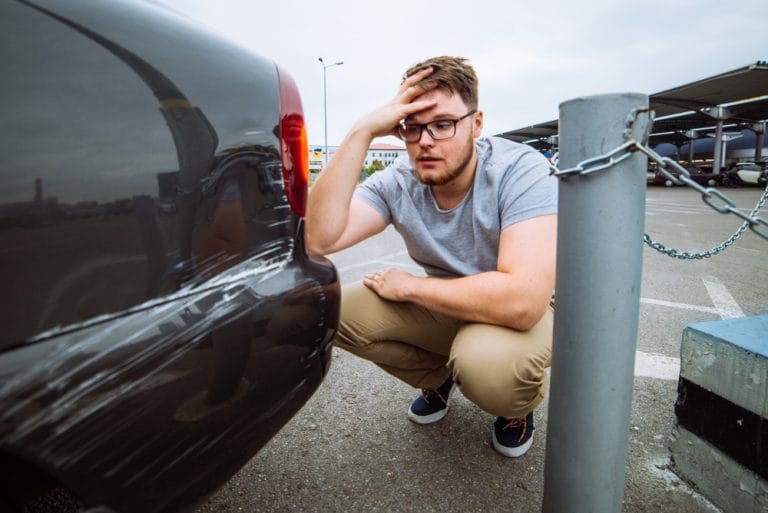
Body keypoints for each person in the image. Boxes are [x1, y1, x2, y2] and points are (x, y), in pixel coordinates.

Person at [306, 56, 557, 458]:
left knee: (485, 365)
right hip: (448, 302)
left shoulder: (519, 169)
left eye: (443, 124)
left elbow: (523, 301)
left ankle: (517, 410)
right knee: (322, 311)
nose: (425, 140)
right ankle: (438, 377)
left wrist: (411, 288)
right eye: (413, 126)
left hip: (519, 314)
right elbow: (319, 238)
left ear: (476, 124)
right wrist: (361, 132)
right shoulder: (398, 180)